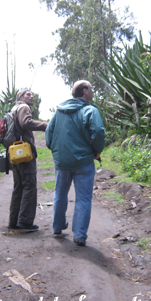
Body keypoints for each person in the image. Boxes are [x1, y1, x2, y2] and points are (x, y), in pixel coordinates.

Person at [45, 80, 105, 246]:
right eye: (91, 88)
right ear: (85, 91)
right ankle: (79, 235)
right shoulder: (90, 111)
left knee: (60, 193)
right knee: (83, 199)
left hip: (62, 162)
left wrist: (55, 150)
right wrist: (97, 150)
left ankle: (57, 227)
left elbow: (49, 133)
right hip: (83, 162)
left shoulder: (59, 111)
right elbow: (98, 131)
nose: (93, 91)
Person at [8, 88, 48, 231]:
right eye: (28, 94)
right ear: (21, 97)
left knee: (18, 186)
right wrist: (45, 125)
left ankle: (13, 221)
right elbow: (26, 123)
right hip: (24, 152)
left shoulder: (14, 108)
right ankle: (25, 222)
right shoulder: (24, 107)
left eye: (32, 94)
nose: (31, 96)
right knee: (29, 185)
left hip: (15, 152)